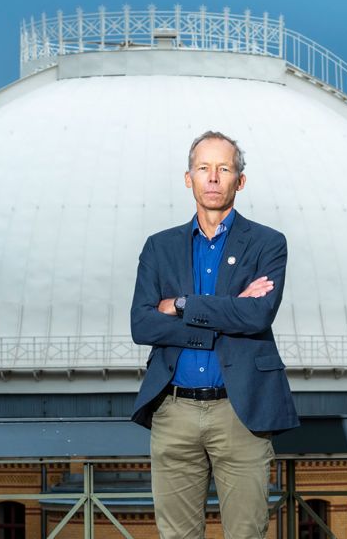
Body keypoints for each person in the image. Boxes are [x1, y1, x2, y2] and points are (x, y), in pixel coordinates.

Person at [130, 130, 299, 539]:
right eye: (203, 168)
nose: (213, 178)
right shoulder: (159, 247)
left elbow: (258, 315)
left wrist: (184, 305)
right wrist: (227, 311)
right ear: (188, 178)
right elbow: (142, 324)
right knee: (178, 535)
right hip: (173, 411)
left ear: (239, 180)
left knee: (247, 532)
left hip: (240, 411)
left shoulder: (268, 243)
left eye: (223, 169)